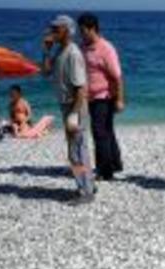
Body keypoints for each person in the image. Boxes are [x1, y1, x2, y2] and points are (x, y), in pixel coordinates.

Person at [42, 14, 96, 205]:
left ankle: (85, 191)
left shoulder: (73, 54)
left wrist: (73, 115)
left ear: (66, 30)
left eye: (56, 29)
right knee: (79, 148)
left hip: (75, 106)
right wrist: (46, 51)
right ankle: (88, 184)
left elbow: (81, 88)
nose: (52, 32)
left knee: (76, 151)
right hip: (67, 105)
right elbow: (46, 72)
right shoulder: (60, 51)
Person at [79, 12, 125, 181]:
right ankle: (114, 164)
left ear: (93, 29)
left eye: (84, 31)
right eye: (80, 31)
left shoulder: (106, 48)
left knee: (99, 133)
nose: (81, 34)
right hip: (89, 97)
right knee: (107, 132)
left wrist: (120, 99)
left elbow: (117, 76)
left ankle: (104, 171)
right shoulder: (83, 47)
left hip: (104, 97)